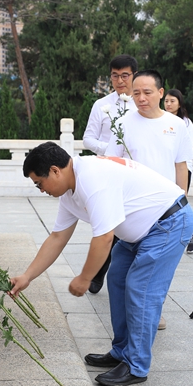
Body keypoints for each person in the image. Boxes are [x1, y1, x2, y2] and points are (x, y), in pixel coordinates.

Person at [10, 143, 193, 386]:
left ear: (55, 171)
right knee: (117, 279)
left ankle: (136, 365)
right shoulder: (69, 190)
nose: (41, 190)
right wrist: (27, 276)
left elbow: (105, 237)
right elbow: (57, 237)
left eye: (39, 183)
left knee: (141, 289)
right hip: (140, 232)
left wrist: (85, 278)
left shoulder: (92, 179)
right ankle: (122, 352)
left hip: (169, 223)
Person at [107, 71, 193, 330]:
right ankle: (134, 318)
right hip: (133, 208)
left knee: (157, 269)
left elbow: (181, 166)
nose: (141, 98)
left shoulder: (176, 125)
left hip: (166, 210)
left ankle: (153, 312)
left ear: (160, 92)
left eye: (147, 92)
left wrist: (183, 200)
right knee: (126, 270)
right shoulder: (122, 123)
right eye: (136, 93)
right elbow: (112, 163)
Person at [82, 54, 137, 293]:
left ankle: (123, 277)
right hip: (108, 171)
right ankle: (97, 274)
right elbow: (87, 139)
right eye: (115, 75)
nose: (120, 80)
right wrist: (113, 149)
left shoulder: (142, 104)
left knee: (131, 224)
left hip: (135, 175)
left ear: (134, 75)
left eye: (125, 75)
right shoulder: (101, 105)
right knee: (108, 225)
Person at [164, 89, 193, 253]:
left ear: (179, 103)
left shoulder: (185, 123)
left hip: (182, 168)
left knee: (179, 203)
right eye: (166, 101)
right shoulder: (160, 120)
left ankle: (191, 235)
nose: (169, 104)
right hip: (164, 168)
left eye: (172, 101)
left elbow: (192, 147)